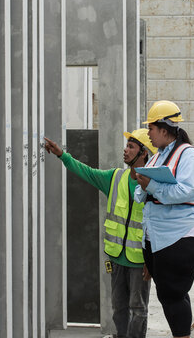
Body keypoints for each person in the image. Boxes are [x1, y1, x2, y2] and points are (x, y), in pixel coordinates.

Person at [44, 129, 157, 338]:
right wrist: (62, 155)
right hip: (116, 258)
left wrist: (151, 261)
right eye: (127, 145)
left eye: (131, 147)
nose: (126, 150)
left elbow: (159, 227)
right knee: (119, 307)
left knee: (138, 308)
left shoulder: (154, 186)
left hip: (140, 261)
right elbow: (86, 172)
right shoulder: (115, 178)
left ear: (144, 154)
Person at [134, 100, 194, 338]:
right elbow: (141, 193)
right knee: (169, 294)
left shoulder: (189, 156)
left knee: (172, 293)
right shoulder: (157, 156)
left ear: (164, 129)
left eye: (151, 128)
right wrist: (145, 186)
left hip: (182, 233)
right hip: (159, 235)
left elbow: (187, 192)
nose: (148, 133)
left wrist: (153, 186)